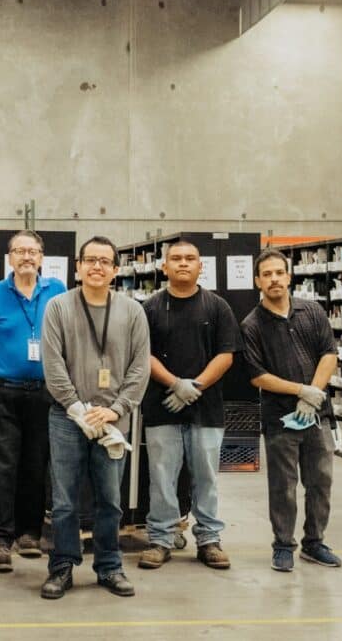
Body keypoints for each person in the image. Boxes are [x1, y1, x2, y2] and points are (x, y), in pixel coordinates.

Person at [40, 235, 150, 599]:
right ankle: (62, 566)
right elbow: (53, 365)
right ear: (78, 267)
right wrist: (79, 410)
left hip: (113, 420)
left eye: (105, 261)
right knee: (65, 499)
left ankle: (109, 566)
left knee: (110, 499)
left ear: (115, 270)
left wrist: (116, 410)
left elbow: (139, 368)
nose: (97, 267)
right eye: (90, 260)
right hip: (67, 418)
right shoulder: (58, 307)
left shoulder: (133, 311)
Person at [138, 239, 243, 571]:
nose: (183, 263)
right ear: (164, 267)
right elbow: (144, 354)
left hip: (206, 408)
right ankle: (161, 539)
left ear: (201, 266)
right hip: (161, 407)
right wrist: (175, 383)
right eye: (176, 259)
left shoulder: (217, 307)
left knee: (206, 476)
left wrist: (194, 386)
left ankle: (209, 539)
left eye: (190, 258)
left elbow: (226, 354)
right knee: (161, 476)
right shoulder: (150, 308)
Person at [240, 247, 341, 573]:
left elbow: (329, 353)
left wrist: (313, 397)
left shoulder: (312, 312)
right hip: (280, 419)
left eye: (278, 273)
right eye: (266, 274)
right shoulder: (252, 325)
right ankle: (283, 544)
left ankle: (314, 542)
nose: (274, 280)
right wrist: (300, 391)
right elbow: (257, 375)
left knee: (320, 480)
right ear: (258, 280)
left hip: (316, 417)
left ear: (289, 275)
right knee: (283, 485)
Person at [0, 230, 65, 572]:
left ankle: (28, 532)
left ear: (41, 257)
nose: (26, 257)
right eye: (19, 251)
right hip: (3, 391)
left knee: (35, 463)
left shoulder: (57, 291)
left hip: (45, 392)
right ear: (9, 258)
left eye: (33, 251)